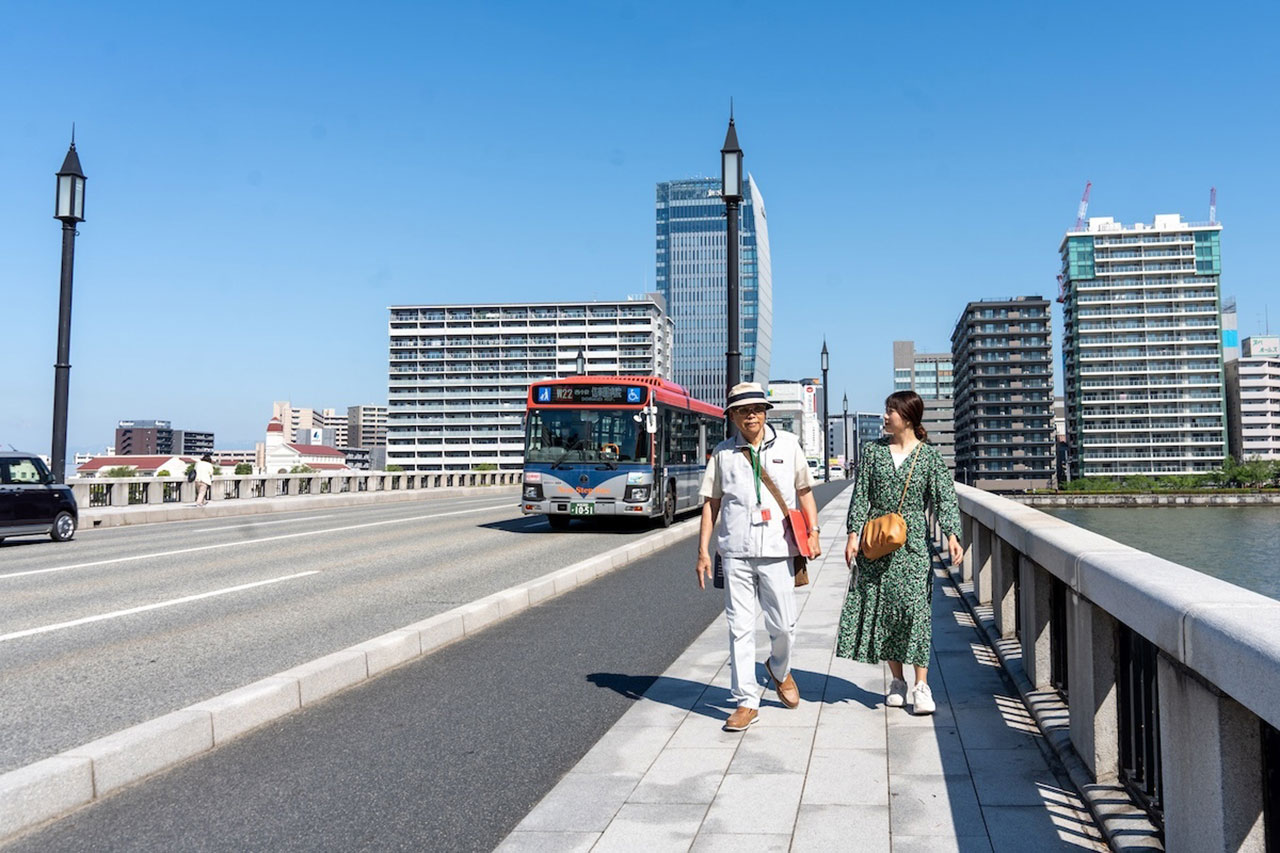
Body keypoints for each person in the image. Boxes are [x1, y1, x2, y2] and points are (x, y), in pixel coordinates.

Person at [696, 382, 822, 731]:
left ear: (766, 411)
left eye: (757, 408)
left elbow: (804, 491)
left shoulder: (788, 445)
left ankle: (779, 669)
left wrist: (814, 531)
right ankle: (746, 700)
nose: (751, 414)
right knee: (739, 627)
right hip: (735, 550)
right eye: (742, 410)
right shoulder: (722, 454)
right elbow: (711, 504)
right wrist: (703, 551)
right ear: (733, 416)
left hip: (778, 548)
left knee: (784, 624)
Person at [837, 391, 963, 715]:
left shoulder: (928, 457)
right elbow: (860, 496)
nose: (885, 416)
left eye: (890, 411)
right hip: (876, 543)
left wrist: (951, 534)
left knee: (916, 612)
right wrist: (852, 535)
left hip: (913, 547)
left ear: (907, 417)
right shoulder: (873, 453)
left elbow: (943, 497)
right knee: (887, 612)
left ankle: (922, 686)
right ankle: (898, 681)